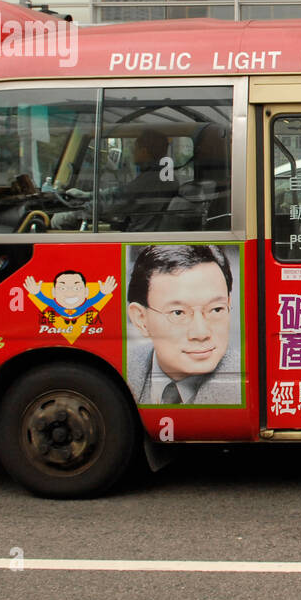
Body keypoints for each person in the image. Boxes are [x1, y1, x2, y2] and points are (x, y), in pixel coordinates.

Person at [125, 245, 240, 405]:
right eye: (178, 313)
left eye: (216, 309)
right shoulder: (125, 369)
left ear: (228, 304)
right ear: (141, 319)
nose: (201, 333)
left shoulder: (244, 382)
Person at [61, 129, 176, 231]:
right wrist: (88, 195)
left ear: (144, 152)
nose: (133, 152)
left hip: (140, 238)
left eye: (135, 148)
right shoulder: (163, 177)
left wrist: (74, 214)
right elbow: (119, 193)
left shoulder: (150, 180)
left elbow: (114, 203)